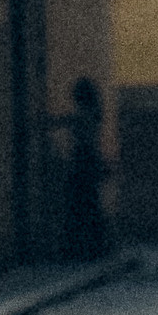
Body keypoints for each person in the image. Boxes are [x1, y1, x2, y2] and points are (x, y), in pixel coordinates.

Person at [62, 75, 110, 259]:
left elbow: (72, 122)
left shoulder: (85, 114)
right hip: (91, 160)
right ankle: (95, 246)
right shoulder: (95, 112)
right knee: (90, 204)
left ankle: (84, 248)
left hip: (84, 160)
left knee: (80, 204)